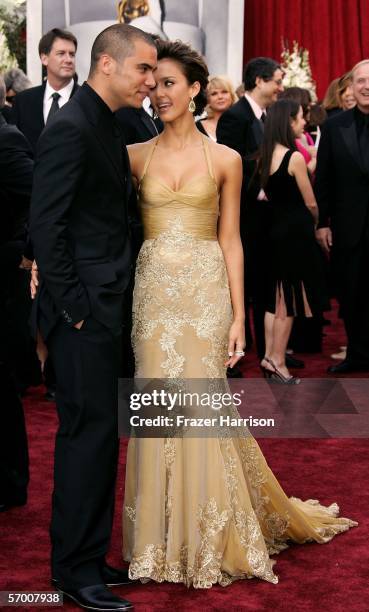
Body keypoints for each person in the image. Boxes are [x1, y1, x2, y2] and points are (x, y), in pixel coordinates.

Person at [122, 38, 356, 587]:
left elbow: (232, 241)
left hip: (204, 290)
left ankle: (208, 536)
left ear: (196, 89)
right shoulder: (134, 155)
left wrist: (234, 317)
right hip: (153, 293)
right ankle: (158, 541)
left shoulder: (225, 158)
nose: (158, 93)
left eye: (170, 83)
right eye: (153, 84)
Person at [30, 24, 157, 612]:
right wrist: (76, 312)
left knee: (103, 438)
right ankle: (73, 572)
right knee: (87, 438)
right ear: (107, 65)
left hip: (107, 307)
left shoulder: (104, 121)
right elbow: (46, 229)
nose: (151, 81)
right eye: (143, 69)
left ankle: (87, 556)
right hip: (84, 314)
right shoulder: (71, 128)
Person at [216, 57, 303, 371]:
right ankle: (235, 354)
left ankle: (270, 352)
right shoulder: (234, 117)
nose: (280, 88)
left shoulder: (266, 117)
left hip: (269, 218)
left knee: (266, 283)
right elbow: (232, 164)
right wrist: (265, 186)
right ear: (259, 81)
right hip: (245, 216)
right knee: (241, 286)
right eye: (277, 81)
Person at [258, 100, 328, 383]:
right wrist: (317, 220)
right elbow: (310, 202)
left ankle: (267, 356)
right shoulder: (294, 158)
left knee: (274, 299)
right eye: (300, 119)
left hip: (274, 232)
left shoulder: (263, 156)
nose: (303, 124)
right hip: (295, 235)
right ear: (288, 122)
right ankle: (277, 361)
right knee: (290, 301)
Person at [315, 59, 369, 374]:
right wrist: (322, 223)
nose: (367, 87)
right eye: (361, 81)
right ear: (350, 86)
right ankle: (358, 355)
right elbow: (325, 178)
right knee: (351, 293)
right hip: (349, 228)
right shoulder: (334, 126)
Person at [0, 74, 33, 512]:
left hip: (1, 281)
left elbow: (42, 198)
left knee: (1, 382)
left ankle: (8, 484)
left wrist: (20, 254)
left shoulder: (6, 140)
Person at [11, 28, 79, 153]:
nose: (69, 60)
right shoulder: (23, 101)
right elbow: (14, 149)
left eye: (72, 54)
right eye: (61, 53)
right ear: (44, 58)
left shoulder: (88, 100)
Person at [197, 75, 236, 141]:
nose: (220, 97)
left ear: (232, 96)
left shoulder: (242, 124)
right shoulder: (197, 127)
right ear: (208, 99)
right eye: (214, 94)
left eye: (224, 92)